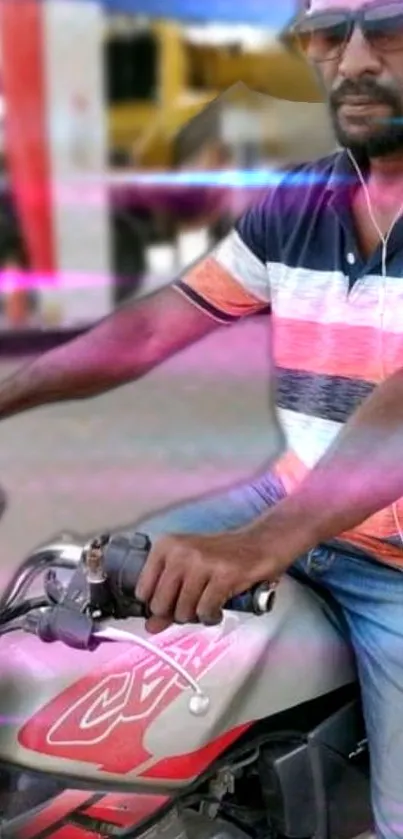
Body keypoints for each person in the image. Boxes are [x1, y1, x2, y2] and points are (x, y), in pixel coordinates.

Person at [1, 0, 403, 831]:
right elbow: (153, 326)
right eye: (327, 34)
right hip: (289, 502)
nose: (354, 59)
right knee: (72, 619)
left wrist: (265, 541)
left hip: (385, 559)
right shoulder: (301, 201)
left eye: (390, 28)